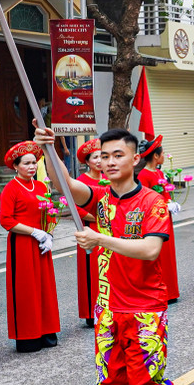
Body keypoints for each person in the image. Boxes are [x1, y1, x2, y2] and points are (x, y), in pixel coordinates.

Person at [36, 125, 194, 385]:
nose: (108, 162)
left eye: (117, 155)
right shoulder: (99, 198)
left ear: (135, 158)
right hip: (108, 310)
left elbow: (151, 249)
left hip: (144, 310)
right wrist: (50, 151)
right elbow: (63, 185)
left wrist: (100, 238)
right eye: (104, 156)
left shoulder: (152, 202)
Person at [0, 141, 60, 353]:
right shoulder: (11, 189)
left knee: (44, 287)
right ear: (16, 166)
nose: (32, 167)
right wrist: (33, 232)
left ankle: (47, 331)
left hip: (42, 243)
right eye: (26, 163)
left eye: (34, 162)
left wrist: (49, 235)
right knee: (26, 289)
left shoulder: (42, 187)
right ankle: (28, 337)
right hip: (23, 244)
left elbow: (50, 212)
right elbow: (6, 220)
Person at [136, 137, 181, 305]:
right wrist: (163, 205)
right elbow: (145, 200)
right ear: (156, 156)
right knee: (159, 255)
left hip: (165, 217)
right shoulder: (143, 175)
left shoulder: (160, 173)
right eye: (162, 153)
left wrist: (171, 203)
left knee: (168, 255)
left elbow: (165, 193)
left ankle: (171, 290)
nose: (164, 156)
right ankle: (159, 291)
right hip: (155, 219)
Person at [75, 138, 108, 326]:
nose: (98, 161)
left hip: (109, 230)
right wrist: (100, 217)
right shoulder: (82, 182)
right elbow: (76, 208)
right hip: (90, 230)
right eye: (94, 157)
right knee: (92, 271)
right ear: (87, 162)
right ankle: (90, 311)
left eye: (101, 156)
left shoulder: (109, 179)